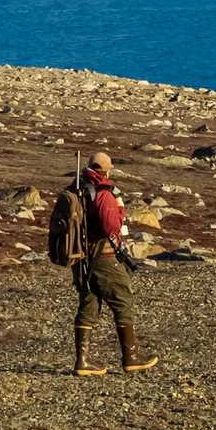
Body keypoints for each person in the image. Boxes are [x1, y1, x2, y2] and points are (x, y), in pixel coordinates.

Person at [71, 151, 157, 375]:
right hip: (105, 257)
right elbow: (111, 227)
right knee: (122, 301)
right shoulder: (103, 193)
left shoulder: (76, 189)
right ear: (106, 170)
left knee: (89, 304)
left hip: (82, 258)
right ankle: (131, 357)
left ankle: (82, 362)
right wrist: (119, 212)